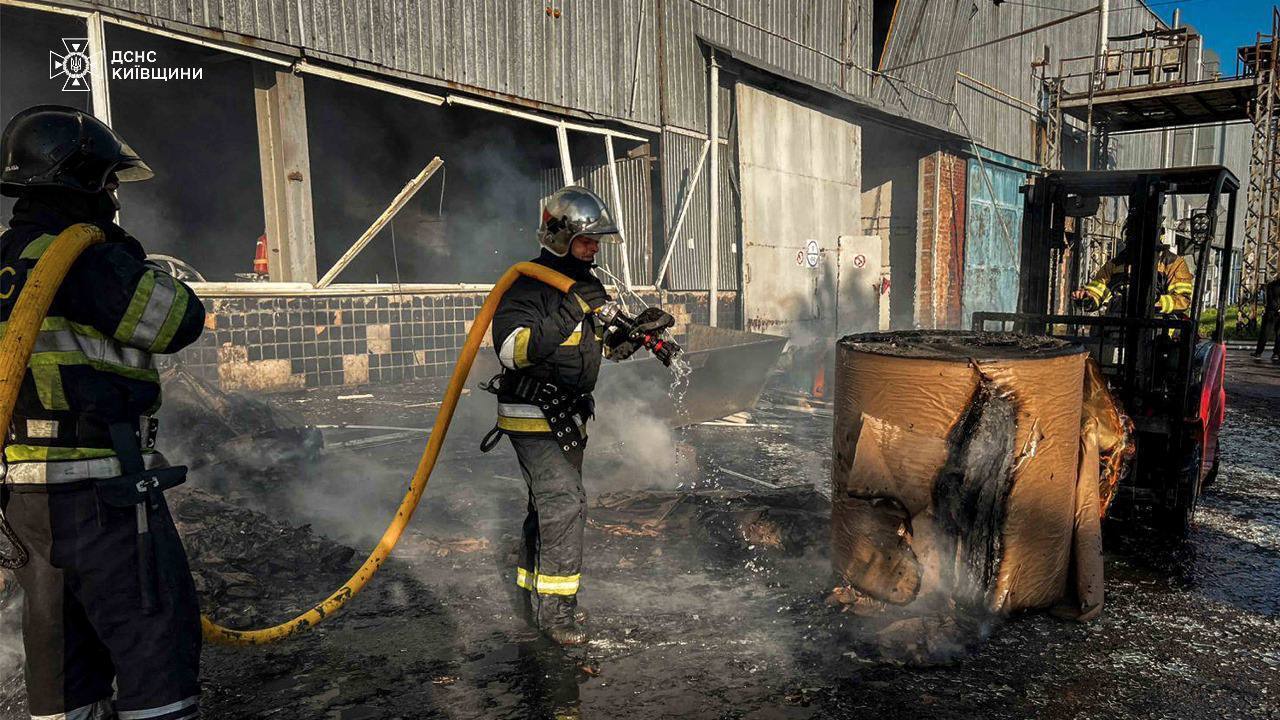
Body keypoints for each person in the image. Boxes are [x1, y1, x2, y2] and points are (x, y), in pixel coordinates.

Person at [0, 105, 206, 720]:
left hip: (25, 496)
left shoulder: (6, 261)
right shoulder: (84, 260)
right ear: (86, 182)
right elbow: (178, 320)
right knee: (154, 647)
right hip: (102, 490)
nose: (115, 199)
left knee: (62, 660)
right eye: (110, 184)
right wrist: (119, 252)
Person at [486, 186, 618, 646]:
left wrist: (635, 337)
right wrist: (572, 306)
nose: (594, 249)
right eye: (587, 240)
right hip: (532, 413)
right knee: (563, 504)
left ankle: (530, 594)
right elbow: (511, 350)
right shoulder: (527, 284)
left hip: (568, 414)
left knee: (546, 507)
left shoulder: (587, 285)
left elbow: (598, 343)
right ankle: (557, 615)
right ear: (560, 236)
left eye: (597, 241)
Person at [1073, 220, 1194, 317]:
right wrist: (1087, 298)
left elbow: (1182, 300)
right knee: (1097, 335)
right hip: (1117, 326)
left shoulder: (1173, 263)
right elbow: (1098, 289)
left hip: (1157, 328)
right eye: (1133, 236)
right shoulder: (1116, 264)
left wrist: (1152, 302)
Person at [1253, 275, 1280, 361]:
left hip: (1271, 312)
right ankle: (1275, 353)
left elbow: (1270, 299)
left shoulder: (1271, 285)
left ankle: (1259, 352)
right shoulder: (1271, 285)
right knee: (1276, 334)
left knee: (1265, 333)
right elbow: (1270, 299)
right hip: (1272, 312)